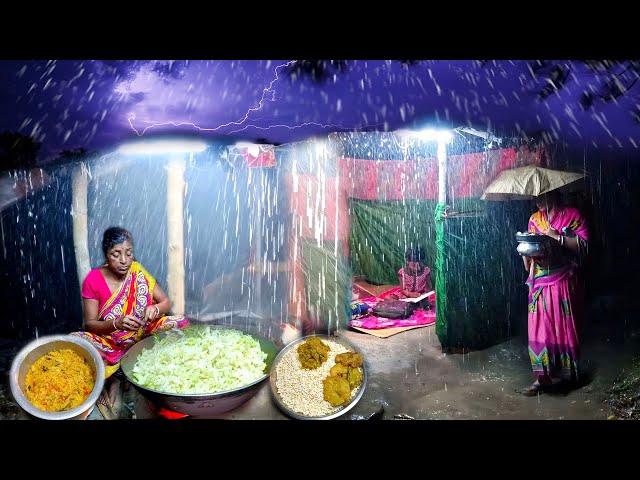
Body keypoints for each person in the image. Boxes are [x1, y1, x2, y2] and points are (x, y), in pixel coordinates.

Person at [71, 227, 188, 373]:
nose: (124, 261)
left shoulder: (137, 270)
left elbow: (165, 302)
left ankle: (149, 358)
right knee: (76, 339)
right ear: (106, 255)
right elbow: (89, 325)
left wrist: (155, 309)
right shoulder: (93, 279)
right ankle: (120, 365)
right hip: (111, 342)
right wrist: (116, 323)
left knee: (178, 322)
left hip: (145, 332)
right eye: (116, 254)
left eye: (129, 253)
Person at [520, 191, 589, 396]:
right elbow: (528, 263)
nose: (538, 200)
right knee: (540, 329)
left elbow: (584, 246)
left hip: (563, 280)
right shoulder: (534, 220)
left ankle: (569, 376)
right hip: (539, 282)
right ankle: (543, 378)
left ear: (555, 194)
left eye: (543, 196)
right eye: (536, 197)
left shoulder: (572, 215)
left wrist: (556, 237)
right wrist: (525, 250)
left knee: (564, 328)